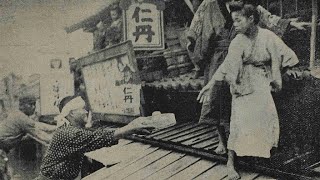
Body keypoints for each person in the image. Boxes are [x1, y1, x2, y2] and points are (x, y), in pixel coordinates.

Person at [187, 0, 309, 155]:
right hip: (218, 56)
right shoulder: (209, 4)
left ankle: (246, 143)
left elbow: (265, 17)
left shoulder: (243, 3)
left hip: (243, 57)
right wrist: (201, 59)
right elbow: (195, 32)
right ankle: (221, 140)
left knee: (243, 103)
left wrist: (290, 24)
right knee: (217, 99)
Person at [37, 96, 154, 180]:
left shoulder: (69, 129)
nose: (85, 112)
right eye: (82, 109)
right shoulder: (69, 133)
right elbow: (98, 137)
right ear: (71, 113)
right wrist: (132, 127)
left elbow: (95, 135)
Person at [0, 96, 56, 179]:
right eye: (30, 105)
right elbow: (40, 135)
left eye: (34, 104)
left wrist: (56, 127)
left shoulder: (17, 115)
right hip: (1, 148)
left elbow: (38, 125)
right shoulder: (22, 119)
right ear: (22, 106)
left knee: (5, 174)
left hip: (3, 149)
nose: (33, 107)